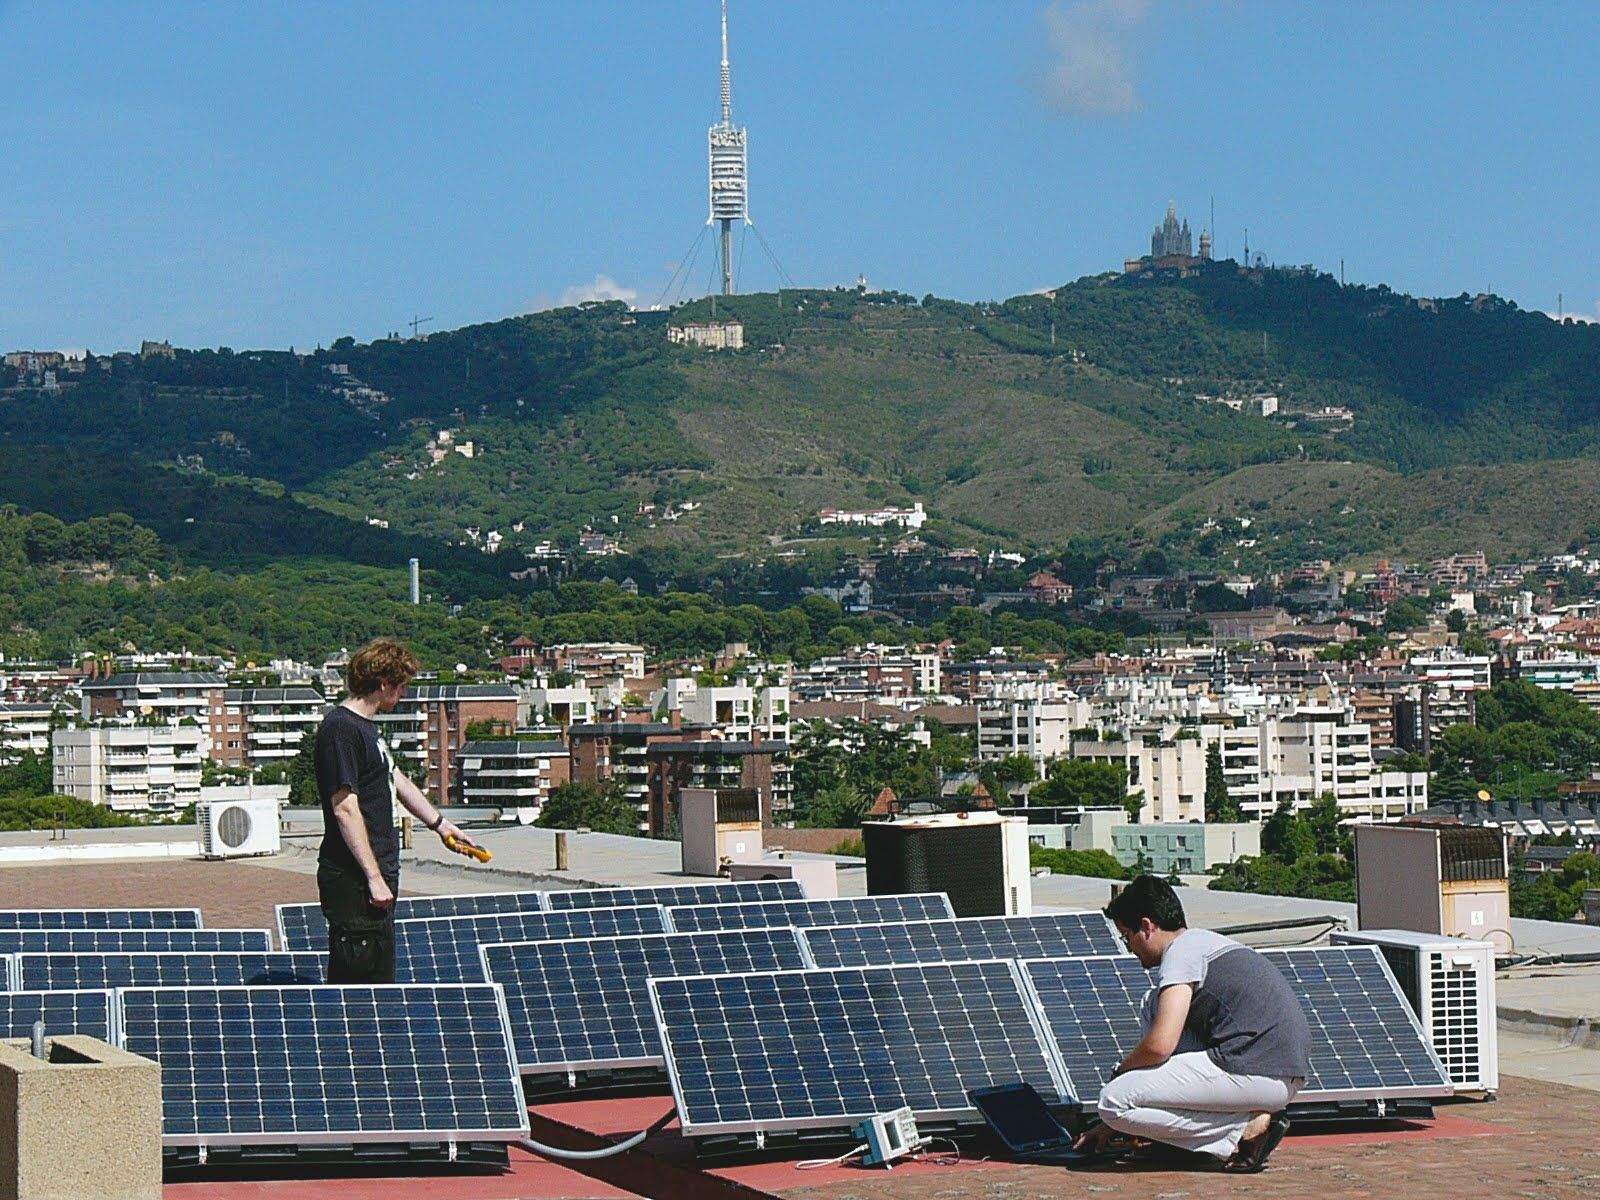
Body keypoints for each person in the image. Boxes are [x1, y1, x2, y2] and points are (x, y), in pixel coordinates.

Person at [1074, 875, 1310, 1173]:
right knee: (1153, 1003)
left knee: (1113, 1102)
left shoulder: (1181, 955)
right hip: (1278, 1072)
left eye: (1127, 936)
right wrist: (1112, 1127)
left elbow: (1160, 1046)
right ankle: (1176, 1143)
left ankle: (1242, 1132)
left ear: (1147, 926)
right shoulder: (1204, 943)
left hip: (1254, 1070)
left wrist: (1120, 1074)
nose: (1129, 948)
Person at [314, 638, 482, 984]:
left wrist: (441, 825)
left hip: (376, 878)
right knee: (360, 989)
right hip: (355, 882)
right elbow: (345, 808)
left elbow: (396, 779)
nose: (403, 694)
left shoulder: (366, 729)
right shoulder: (341, 729)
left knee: (380, 977)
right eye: (401, 685)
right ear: (383, 684)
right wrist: (373, 878)